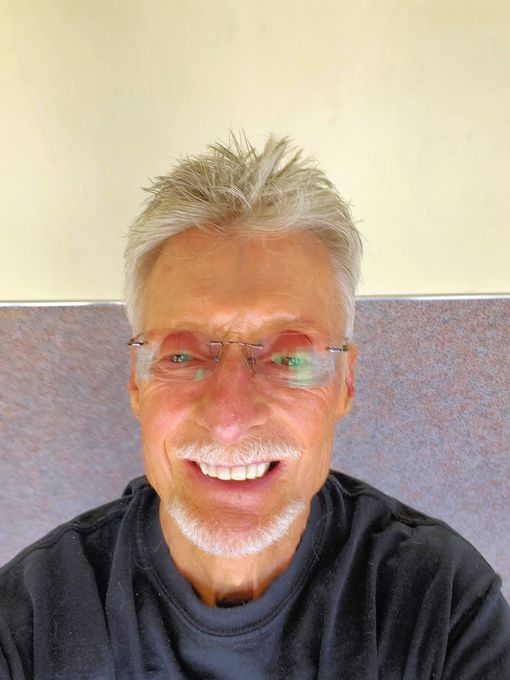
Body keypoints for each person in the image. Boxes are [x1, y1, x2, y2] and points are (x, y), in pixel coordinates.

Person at [0, 134, 509, 680]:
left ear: (344, 383)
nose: (229, 419)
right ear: (136, 381)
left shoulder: (442, 608)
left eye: (289, 359)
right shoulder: (29, 621)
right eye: (181, 355)